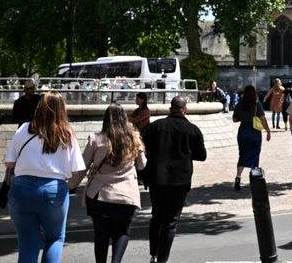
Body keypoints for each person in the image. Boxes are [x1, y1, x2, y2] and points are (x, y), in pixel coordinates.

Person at [4, 91, 85, 263]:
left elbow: (10, 164)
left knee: (27, 243)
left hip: (21, 188)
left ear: (39, 107)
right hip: (54, 189)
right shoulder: (67, 133)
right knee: (54, 238)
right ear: (62, 109)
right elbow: (77, 169)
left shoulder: (24, 128)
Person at [141, 96, 206, 263]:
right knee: (171, 221)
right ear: (185, 110)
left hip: (157, 178)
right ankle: (163, 258)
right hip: (180, 180)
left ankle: (153, 253)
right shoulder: (192, 129)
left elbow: (142, 148)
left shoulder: (155, 126)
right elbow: (201, 155)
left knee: (156, 216)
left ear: (170, 109)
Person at [81, 103, 146, 263]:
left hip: (100, 195)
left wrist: (70, 186)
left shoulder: (95, 139)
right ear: (124, 118)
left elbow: (82, 166)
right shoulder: (134, 138)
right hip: (126, 196)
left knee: (101, 235)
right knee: (122, 232)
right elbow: (142, 165)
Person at [231, 84, 270, 191]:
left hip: (243, 131)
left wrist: (243, 117)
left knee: (242, 155)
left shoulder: (239, 104)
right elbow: (263, 119)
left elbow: (234, 119)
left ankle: (238, 178)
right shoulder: (257, 104)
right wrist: (268, 131)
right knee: (255, 154)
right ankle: (254, 180)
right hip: (254, 132)